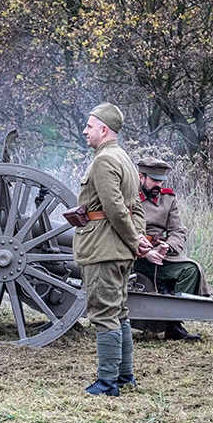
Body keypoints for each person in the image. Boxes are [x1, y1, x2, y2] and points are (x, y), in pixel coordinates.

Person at [74, 103, 151, 397]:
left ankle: (107, 383)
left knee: (104, 314)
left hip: (103, 248)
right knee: (119, 313)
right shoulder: (125, 159)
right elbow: (136, 208)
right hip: (119, 250)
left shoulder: (104, 160)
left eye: (89, 126)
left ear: (104, 129)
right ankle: (125, 376)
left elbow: (116, 210)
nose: (85, 131)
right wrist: (138, 239)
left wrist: (134, 240)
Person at [134, 157, 210, 341]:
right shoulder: (128, 197)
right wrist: (146, 252)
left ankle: (173, 325)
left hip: (159, 254)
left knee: (190, 270)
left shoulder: (168, 199)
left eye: (161, 181)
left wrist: (168, 246)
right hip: (133, 254)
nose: (158, 185)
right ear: (141, 177)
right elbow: (122, 228)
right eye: (154, 180)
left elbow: (178, 230)